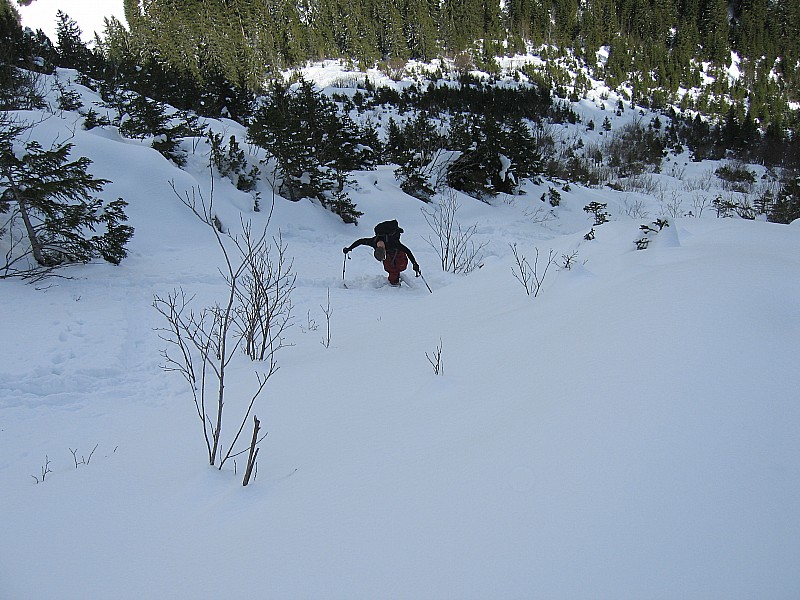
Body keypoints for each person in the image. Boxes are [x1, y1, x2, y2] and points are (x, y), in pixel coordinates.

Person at [343, 219, 421, 286]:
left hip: (397, 252)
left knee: (401, 266)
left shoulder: (393, 243)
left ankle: (395, 279)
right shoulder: (373, 242)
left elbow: (407, 251)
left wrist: (415, 264)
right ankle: (394, 281)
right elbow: (360, 241)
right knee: (389, 268)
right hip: (389, 252)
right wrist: (349, 248)